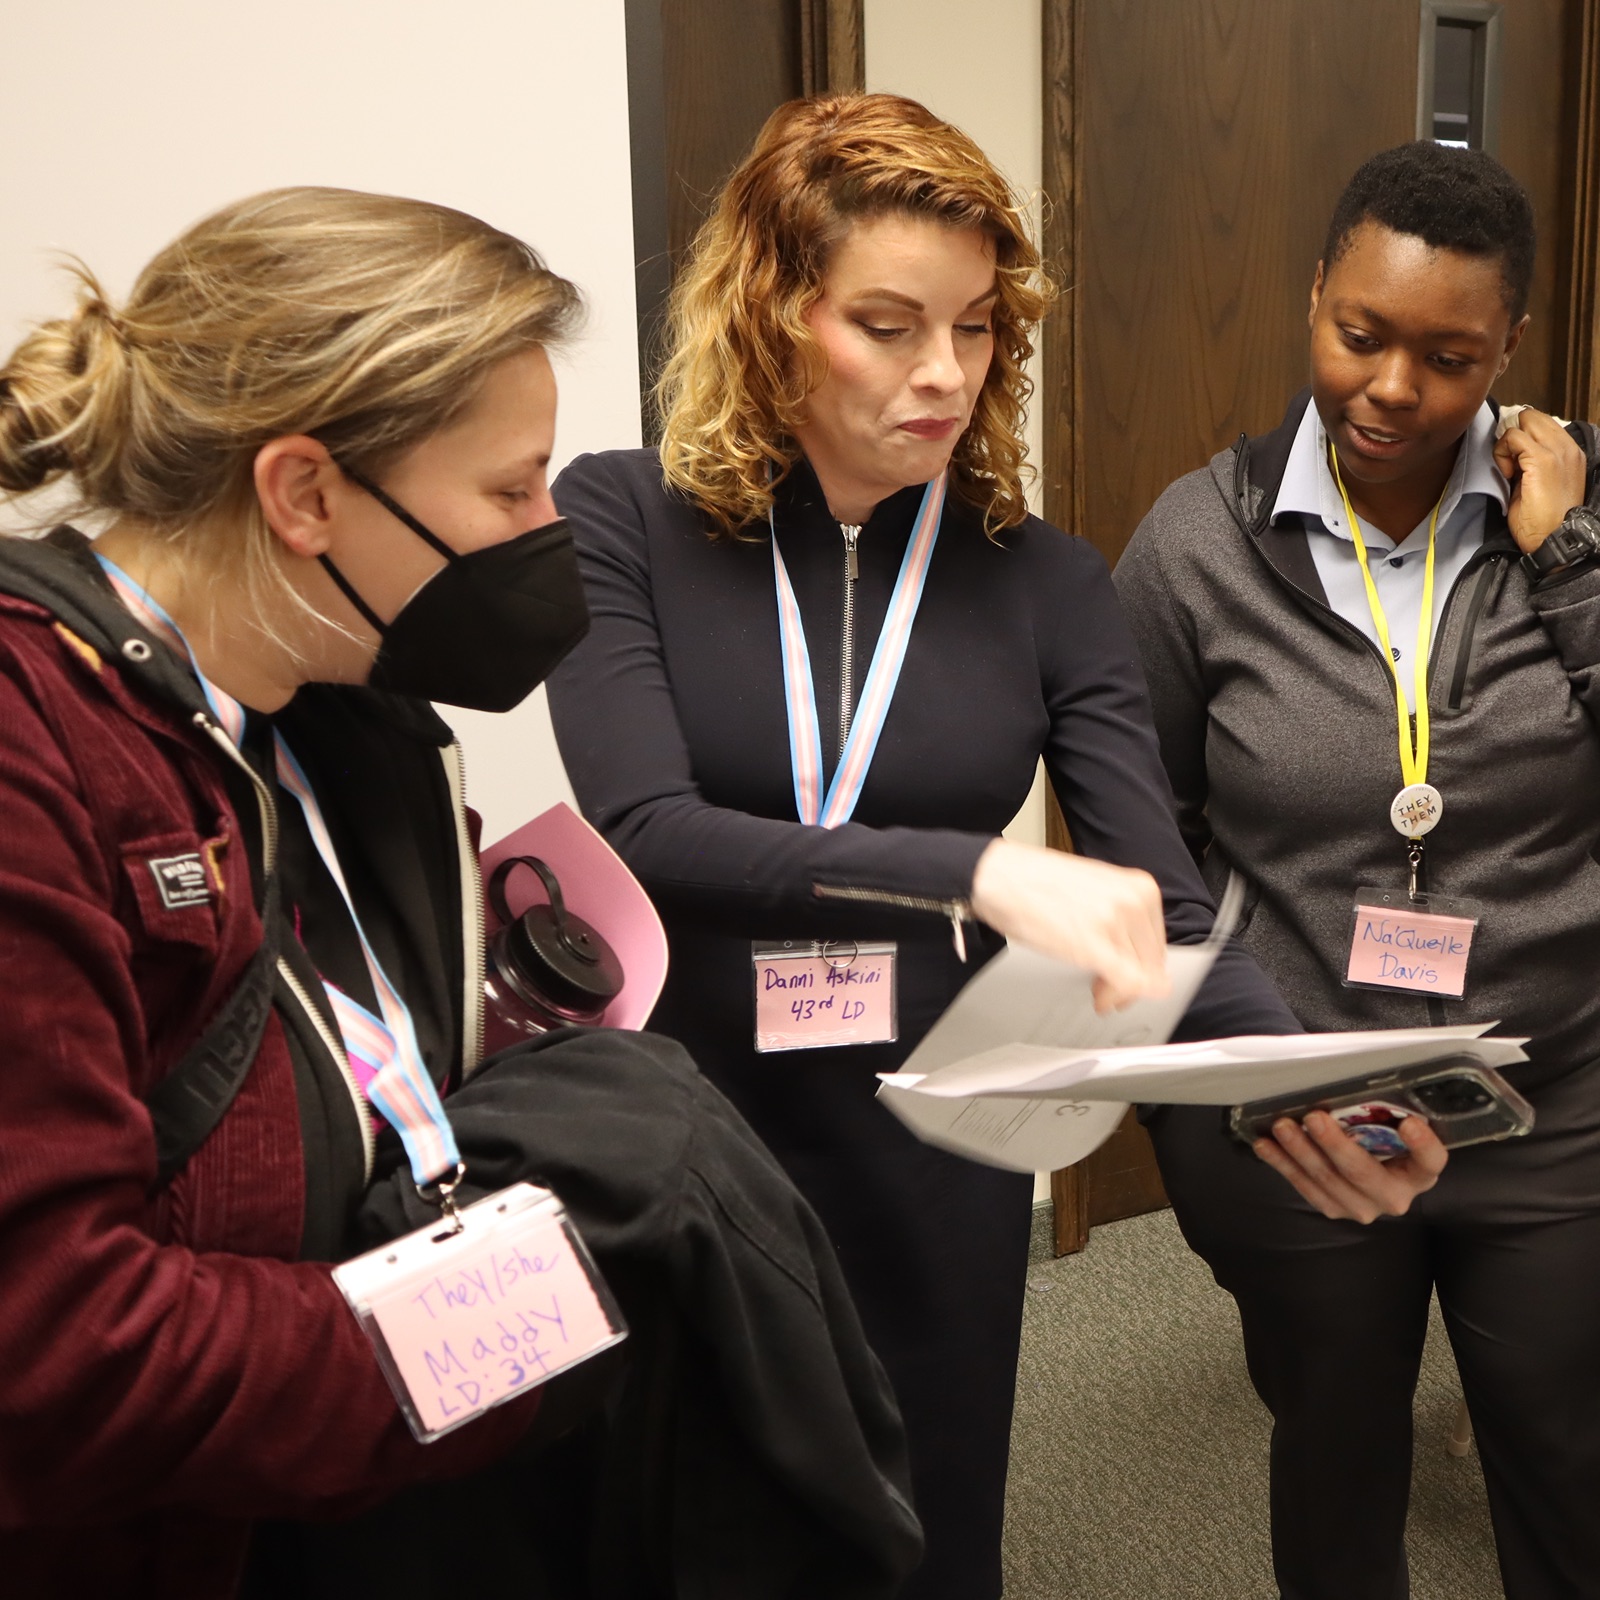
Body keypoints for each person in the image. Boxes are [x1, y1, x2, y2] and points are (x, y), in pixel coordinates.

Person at [0, 187, 919, 1600]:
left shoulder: (338, 727)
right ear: (304, 494)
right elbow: (61, 1362)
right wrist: (522, 1323)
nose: (547, 535)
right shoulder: (34, 756)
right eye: (510, 492)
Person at [545, 92, 1313, 1599]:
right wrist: (976, 869)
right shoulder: (622, 518)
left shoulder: (1045, 581)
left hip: (942, 1137)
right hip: (696, 1127)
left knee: (925, 1521)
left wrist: (1309, 1087)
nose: (944, 373)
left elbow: (1161, 903)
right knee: (698, 1526)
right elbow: (649, 830)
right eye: (888, 325)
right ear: (772, 315)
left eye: (974, 326)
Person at [1113, 141, 1600, 1600]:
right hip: (1306, 1098)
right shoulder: (1195, 545)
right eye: (1361, 335)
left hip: (1558, 1087)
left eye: (1451, 357)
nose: (1393, 389)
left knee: (1565, 1444)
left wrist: (1567, 552)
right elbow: (1146, 830)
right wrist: (1212, 1083)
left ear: (1511, 345)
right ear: (1315, 292)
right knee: (1335, 1444)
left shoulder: (1573, 523)